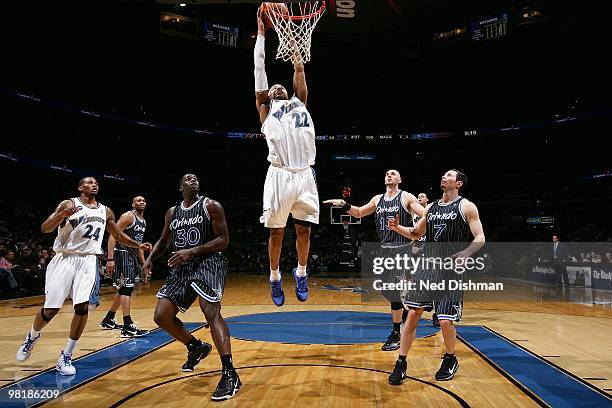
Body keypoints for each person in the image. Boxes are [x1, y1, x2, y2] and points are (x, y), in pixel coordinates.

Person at [15, 177, 152, 376]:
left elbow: (119, 235)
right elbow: (45, 228)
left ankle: (66, 356)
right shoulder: (70, 204)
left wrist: (137, 245)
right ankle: (32, 336)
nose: (94, 184)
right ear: (80, 187)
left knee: (82, 308)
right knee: (51, 309)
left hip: (88, 261)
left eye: (96, 182)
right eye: (89, 182)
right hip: (65, 258)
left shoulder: (106, 211)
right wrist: (60, 215)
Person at [143, 174, 240, 401]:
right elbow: (164, 241)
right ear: (180, 187)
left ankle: (229, 372)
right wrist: (149, 261)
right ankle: (195, 346)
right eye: (187, 179)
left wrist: (191, 252)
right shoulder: (172, 212)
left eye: (195, 178)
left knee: (210, 310)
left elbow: (223, 240)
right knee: (161, 316)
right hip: (182, 266)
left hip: (208, 261)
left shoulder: (211, 206)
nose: (192, 180)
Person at [386, 169, 485, 384]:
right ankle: (401, 362)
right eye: (443, 175)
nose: (443, 177)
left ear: (458, 183)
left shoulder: (466, 206)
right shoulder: (430, 208)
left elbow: (480, 237)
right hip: (427, 267)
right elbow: (415, 234)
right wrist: (397, 227)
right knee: (412, 314)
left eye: (449, 175)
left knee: (445, 321)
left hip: (450, 269)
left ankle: (450, 358)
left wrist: (466, 253)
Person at [254, 8, 319, 306]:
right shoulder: (266, 111)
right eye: (273, 87)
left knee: (303, 231)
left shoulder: (299, 101)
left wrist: (293, 45)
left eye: (282, 86)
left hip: (305, 174)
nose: (277, 86)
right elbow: (259, 68)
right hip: (279, 174)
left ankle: (302, 272)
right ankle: (275, 277)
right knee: (277, 233)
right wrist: (262, 33)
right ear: (267, 96)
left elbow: (299, 71)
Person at [324, 169, 424, 351]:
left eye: (394, 173)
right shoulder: (378, 199)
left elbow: (424, 215)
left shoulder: (406, 197)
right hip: (385, 249)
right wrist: (344, 204)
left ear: (400, 179)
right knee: (387, 290)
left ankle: (396, 332)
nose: (389, 175)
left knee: (394, 291)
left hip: (403, 249)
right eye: (387, 173)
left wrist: (416, 229)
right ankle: (406, 312)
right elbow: (359, 213)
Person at [100, 196, 149, 337]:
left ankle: (109, 318)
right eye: (138, 200)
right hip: (121, 254)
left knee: (123, 289)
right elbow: (113, 235)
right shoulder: (128, 216)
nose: (142, 202)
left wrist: (143, 263)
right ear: (133, 204)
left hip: (131, 255)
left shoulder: (143, 222)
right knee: (126, 289)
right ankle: (127, 326)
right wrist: (110, 258)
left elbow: (138, 244)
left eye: (143, 200)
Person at [412, 193, 440, 328]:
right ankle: (413, 310)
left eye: (422, 196)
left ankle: (436, 313)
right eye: (418, 196)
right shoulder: (412, 213)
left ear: (427, 200)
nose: (419, 198)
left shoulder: (431, 213)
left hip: (430, 249)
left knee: (433, 282)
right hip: (416, 248)